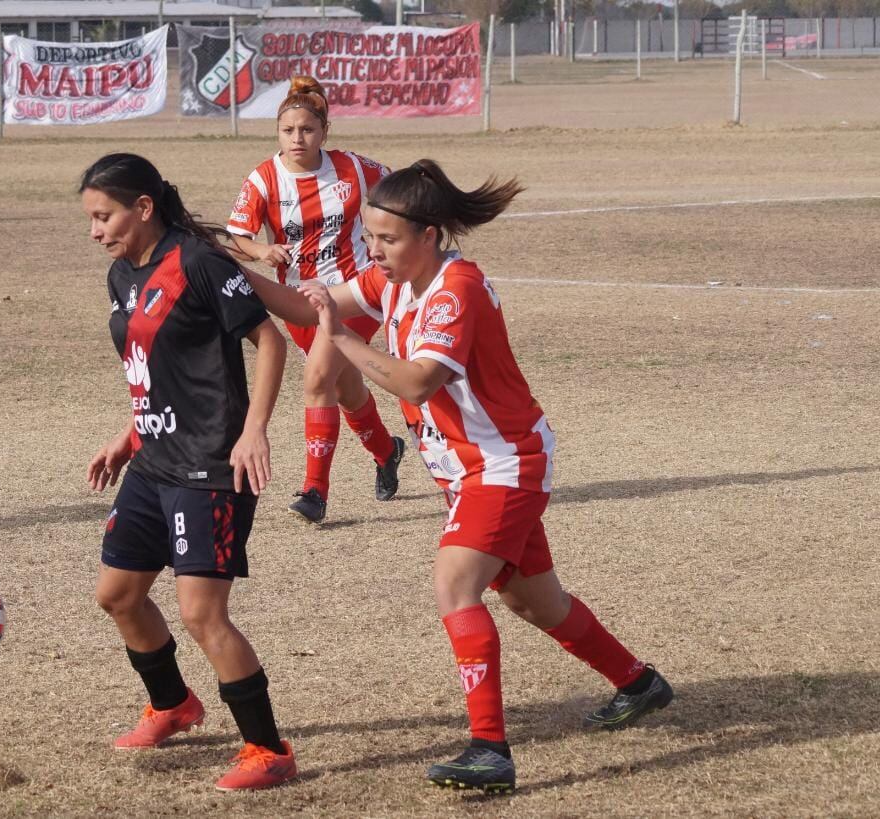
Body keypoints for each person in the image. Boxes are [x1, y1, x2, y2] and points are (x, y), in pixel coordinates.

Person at [246, 159, 673, 793]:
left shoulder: (456, 288)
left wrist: (342, 341)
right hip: (466, 468)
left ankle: (489, 751)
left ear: (430, 234)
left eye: (387, 239)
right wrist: (223, 274)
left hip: (505, 463)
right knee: (535, 600)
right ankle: (639, 684)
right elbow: (308, 307)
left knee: (455, 585)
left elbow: (417, 378)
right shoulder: (394, 280)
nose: (375, 250)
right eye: (371, 237)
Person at [80, 153, 298, 792]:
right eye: (91, 218)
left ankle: (267, 749)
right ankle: (174, 705)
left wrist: (254, 429)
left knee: (202, 613)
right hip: (152, 461)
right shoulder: (123, 275)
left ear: (143, 208)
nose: (96, 230)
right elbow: (153, 363)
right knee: (117, 595)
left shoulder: (199, 263)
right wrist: (129, 434)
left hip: (209, 466)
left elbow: (272, 340)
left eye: (104, 216)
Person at [227, 76, 404, 525]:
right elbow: (234, 238)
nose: (297, 139)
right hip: (298, 301)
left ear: (324, 131)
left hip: (357, 293)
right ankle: (387, 451)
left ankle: (315, 492)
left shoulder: (355, 168)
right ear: (278, 133)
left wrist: (390, 239)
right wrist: (262, 250)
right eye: (288, 131)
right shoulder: (264, 178)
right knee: (344, 388)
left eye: (307, 130)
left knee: (317, 377)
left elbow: (400, 195)